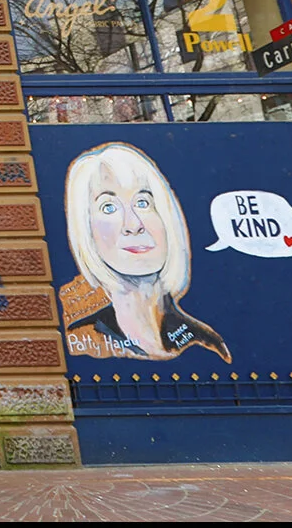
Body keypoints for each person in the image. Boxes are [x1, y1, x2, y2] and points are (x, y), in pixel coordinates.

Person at [60, 142, 230, 363]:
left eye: (143, 202)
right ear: (85, 230)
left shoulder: (205, 343)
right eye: (108, 207)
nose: (133, 224)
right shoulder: (83, 341)